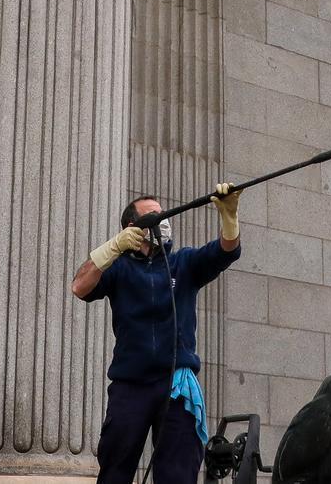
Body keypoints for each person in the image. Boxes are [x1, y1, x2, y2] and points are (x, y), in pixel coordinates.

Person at [71, 184, 242, 484]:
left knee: (178, 472)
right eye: (154, 215)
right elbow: (79, 286)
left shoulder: (184, 263)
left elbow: (226, 252)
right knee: (114, 468)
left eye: (164, 214)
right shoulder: (119, 268)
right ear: (131, 227)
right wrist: (113, 247)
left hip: (176, 385)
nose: (163, 220)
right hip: (130, 385)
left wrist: (230, 217)